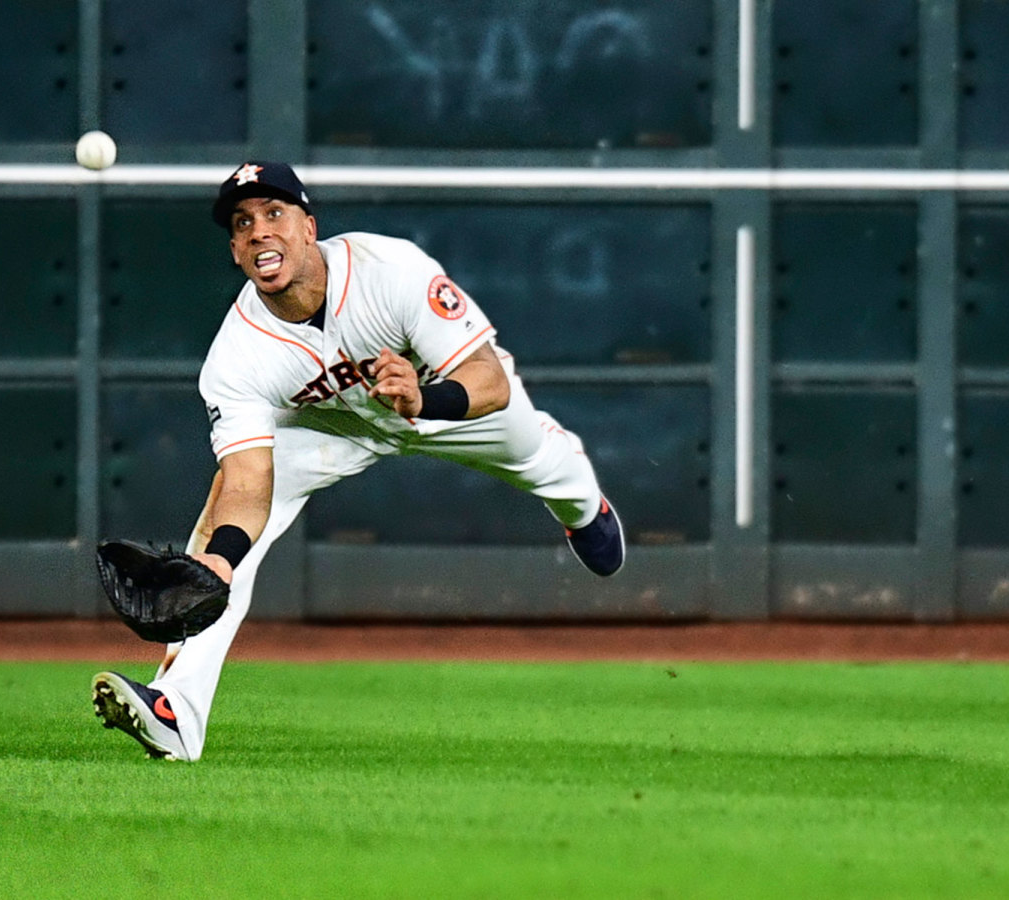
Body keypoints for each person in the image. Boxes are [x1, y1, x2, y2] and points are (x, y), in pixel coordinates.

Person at [92, 161, 625, 761]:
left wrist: (428, 397)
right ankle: (176, 712)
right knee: (219, 529)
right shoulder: (235, 358)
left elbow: (489, 381)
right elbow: (249, 482)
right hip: (332, 426)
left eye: (275, 214)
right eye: (243, 224)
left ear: (309, 226)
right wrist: (220, 563)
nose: (260, 231)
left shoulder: (389, 270)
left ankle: (583, 507)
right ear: (237, 253)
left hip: (441, 403)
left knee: (545, 461)